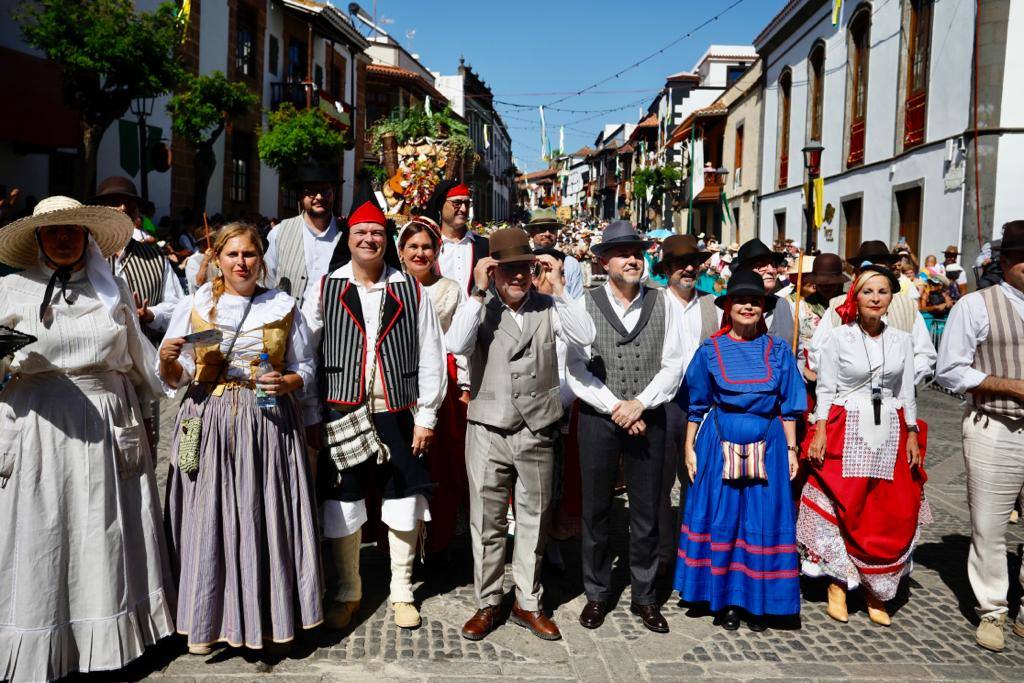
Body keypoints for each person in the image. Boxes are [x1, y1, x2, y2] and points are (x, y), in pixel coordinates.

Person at [0, 197, 174, 681]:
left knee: (104, 531)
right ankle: (37, 640)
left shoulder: (112, 289)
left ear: (86, 236)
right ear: (37, 239)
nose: (62, 238)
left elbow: (141, 363)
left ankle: (111, 639)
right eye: (52, 232)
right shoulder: (10, 290)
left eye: (72, 230)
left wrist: (162, 394)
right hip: (39, 427)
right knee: (43, 532)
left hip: (106, 423)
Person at [159, 223, 322, 655]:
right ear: (217, 260)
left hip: (266, 426)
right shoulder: (197, 306)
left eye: (249, 254)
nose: (242, 263)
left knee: (260, 512)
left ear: (261, 258)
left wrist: (287, 382)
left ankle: (268, 617)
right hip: (209, 420)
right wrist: (166, 360)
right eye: (232, 255)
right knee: (208, 516)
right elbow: (177, 379)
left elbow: (305, 367)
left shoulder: (283, 306)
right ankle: (206, 618)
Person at [304, 182, 446, 631]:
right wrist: (311, 411)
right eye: (361, 233)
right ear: (348, 239)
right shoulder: (326, 287)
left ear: (387, 239)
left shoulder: (409, 288)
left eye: (377, 234)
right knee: (342, 501)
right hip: (342, 409)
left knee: (404, 498)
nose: (369, 240)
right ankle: (348, 590)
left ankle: (402, 589)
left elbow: (430, 351)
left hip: (396, 409)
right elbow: (305, 352)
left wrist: (426, 415)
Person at [445, 228, 595, 642]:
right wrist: (475, 293)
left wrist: (562, 288)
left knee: (535, 519)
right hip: (488, 428)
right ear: (491, 271)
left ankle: (528, 602)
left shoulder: (549, 307)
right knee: (486, 521)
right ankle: (489, 601)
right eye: (506, 269)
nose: (516, 277)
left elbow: (587, 337)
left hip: (538, 428)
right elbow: (455, 344)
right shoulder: (478, 307)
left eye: (524, 268)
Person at [565, 221, 685, 634]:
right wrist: (616, 406)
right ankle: (597, 594)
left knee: (648, 511)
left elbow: (674, 364)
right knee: (596, 510)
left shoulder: (663, 302)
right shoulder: (584, 303)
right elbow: (575, 368)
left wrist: (640, 404)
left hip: (648, 417)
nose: (633, 259)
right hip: (600, 419)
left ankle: (646, 596)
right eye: (623, 253)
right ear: (603, 261)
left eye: (637, 252)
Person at [674, 269, 806, 631]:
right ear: (727, 306)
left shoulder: (779, 350)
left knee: (762, 520)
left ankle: (759, 601)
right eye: (741, 301)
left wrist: (792, 449)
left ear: (764, 308)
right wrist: (689, 448)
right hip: (718, 445)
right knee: (725, 519)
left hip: (770, 445)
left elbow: (789, 406)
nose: (748, 306)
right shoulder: (710, 350)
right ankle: (727, 600)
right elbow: (696, 405)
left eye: (756, 302)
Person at [798, 266, 928, 628]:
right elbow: (825, 386)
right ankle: (838, 583)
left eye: (882, 292)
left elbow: (906, 391)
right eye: (868, 291)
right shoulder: (840, 337)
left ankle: (875, 588)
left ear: (890, 299)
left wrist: (913, 432)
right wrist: (820, 427)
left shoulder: (902, 340)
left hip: (888, 428)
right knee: (844, 503)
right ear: (855, 297)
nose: (875, 298)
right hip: (845, 423)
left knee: (881, 508)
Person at [935, 220, 1024, 652]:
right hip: (996, 426)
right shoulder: (975, 306)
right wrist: (1007, 384)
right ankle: (993, 607)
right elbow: (949, 370)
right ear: (1005, 262)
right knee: (989, 525)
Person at [397, 211, 468, 557]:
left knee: (441, 463)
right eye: (412, 246)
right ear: (400, 250)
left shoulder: (450, 290)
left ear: (436, 252)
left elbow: (462, 341)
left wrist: (466, 385)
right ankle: (400, 545)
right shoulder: (390, 286)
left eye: (426, 246)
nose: (420, 253)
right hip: (396, 382)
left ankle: (437, 541)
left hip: (442, 385)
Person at [651, 235, 713, 577]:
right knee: (658, 484)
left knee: (697, 480)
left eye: (694, 263)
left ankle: (692, 553)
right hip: (663, 405)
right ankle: (662, 553)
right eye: (680, 264)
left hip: (701, 407)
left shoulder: (712, 304)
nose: (689, 269)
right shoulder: (653, 302)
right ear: (667, 270)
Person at [809, 241, 936, 385]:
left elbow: (924, 354)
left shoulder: (907, 307)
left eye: (880, 269)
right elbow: (817, 353)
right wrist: (849, 376)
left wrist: (899, 377)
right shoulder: (837, 306)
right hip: (849, 397)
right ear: (858, 273)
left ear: (889, 269)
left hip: (895, 396)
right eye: (869, 270)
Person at [94, 176, 184, 347]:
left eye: (129, 203)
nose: (122, 207)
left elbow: (177, 307)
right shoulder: (86, 254)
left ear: (136, 213)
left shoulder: (156, 258)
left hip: (145, 361)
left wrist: (151, 314)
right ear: (99, 210)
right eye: (114, 202)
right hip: (99, 361)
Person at [264, 162, 342, 307]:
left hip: (333, 326)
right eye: (311, 191)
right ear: (300, 196)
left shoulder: (346, 235)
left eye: (325, 191)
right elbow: (265, 282)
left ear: (334, 194)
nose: (319, 197)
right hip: (289, 324)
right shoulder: (279, 232)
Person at [730, 238, 795, 347]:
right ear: (744, 271)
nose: (771, 270)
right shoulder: (731, 307)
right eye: (760, 266)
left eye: (773, 265)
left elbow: (798, 350)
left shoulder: (783, 304)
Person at [434, 179, 489, 295]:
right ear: (441, 205)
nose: (464, 209)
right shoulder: (430, 245)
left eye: (467, 203)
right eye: (457, 203)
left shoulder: (484, 245)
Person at [523, 208, 584, 298]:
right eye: (542, 229)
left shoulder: (571, 263)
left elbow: (578, 300)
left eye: (552, 229)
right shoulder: (522, 262)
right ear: (531, 233)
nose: (547, 233)